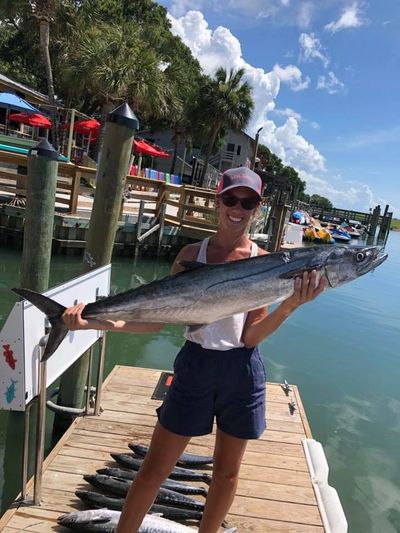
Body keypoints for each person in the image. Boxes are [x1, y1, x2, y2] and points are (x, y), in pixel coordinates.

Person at [62, 167, 325, 533]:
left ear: (257, 208)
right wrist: (90, 321)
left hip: (241, 371)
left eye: (247, 202)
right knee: (154, 467)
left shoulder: (266, 262)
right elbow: (154, 320)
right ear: (218, 201)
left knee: (226, 475)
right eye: (231, 199)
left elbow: (250, 338)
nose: (238, 208)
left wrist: (290, 305)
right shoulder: (191, 253)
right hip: (195, 366)